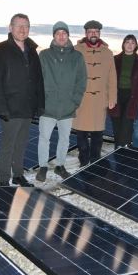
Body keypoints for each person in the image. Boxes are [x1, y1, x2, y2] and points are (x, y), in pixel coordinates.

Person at [0, 13, 44, 187]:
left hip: (27, 107)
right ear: (10, 27)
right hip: (10, 107)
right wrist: (1, 108)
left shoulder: (32, 51)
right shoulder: (1, 49)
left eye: (26, 26)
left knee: (21, 144)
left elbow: (38, 80)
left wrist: (40, 104)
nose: (22, 29)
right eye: (18, 25)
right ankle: (4, 179)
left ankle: (18, 174)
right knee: (8, 145)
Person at [35, 21, 87, 181]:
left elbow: (81, 80)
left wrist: (75, 102)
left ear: (68, 35)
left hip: (67, 107)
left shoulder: (77, 56)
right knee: (44, 139)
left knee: (64, 139)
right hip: (48, 107)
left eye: (64, 33)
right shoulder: (44, 55)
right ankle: (43, 166)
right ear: (54, 36)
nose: (61, 36)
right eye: (58, 33)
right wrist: (41, 102)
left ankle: (60, 165)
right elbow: (37, 80)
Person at [73, 20, 117, 166]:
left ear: (99, 33)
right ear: (85, 33)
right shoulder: (76, 50)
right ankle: (84, 161)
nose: (93, 34)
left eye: (96, 31)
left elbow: (112, 77)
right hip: (81, 100)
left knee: (98, 135)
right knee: (81, 134)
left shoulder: (108, 53)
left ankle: (95, 160)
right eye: (90, 31)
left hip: (99, 100)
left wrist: (112, 98)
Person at [108, 34, 138, 148]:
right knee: (116, 122)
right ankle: (118, 146)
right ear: (123, 44)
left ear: (135, 45)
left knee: (127, 123)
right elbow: (108, 78)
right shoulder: (115, 60)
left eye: (132, 43)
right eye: (127, 42)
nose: (130, 45)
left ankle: (123, 147)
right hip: (116, 95)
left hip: (132, 96)